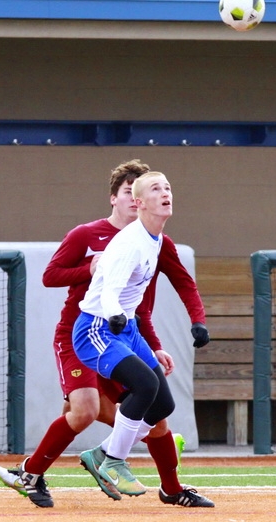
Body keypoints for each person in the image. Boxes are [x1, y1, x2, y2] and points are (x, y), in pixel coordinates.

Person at [0, 160, 213, 509]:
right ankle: (62, 466)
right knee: (87, 409)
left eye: (161, 188)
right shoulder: (91, 236)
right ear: (119, 198)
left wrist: (155, 344)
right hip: (85, 329)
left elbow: (146, 301)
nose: (138, 197)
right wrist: (90, 268)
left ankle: (163, 483)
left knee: (157, 412)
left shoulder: (155, 240)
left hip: (124, 331)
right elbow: (51, 276)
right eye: (130, 191)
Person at [70, 170, 178, 497]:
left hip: (126, 328)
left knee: (163, 404)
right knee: (144, 385)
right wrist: (116, 314)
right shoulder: (131, 242)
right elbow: (108, 290)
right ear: (140, 202)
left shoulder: (154, 238)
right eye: (156, 189)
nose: (165, 193)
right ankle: (114, 462)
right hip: (97, 326)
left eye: (168, 187)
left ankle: (101, 452)